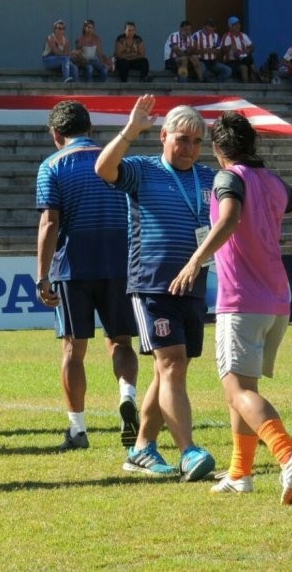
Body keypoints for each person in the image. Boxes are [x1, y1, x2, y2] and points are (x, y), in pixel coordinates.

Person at [169, 111, 292, 504]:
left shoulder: (229, 177)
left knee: (237, 387)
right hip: (277, 302)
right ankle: (240, 473)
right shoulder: (270, 180)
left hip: (242, 301)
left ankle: (287, 453)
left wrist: (194, 261)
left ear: (218, 148)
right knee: (242, 389)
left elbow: (228, 219)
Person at [95, 95, 216, 481]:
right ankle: (189, 451)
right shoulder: (142, 170)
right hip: (153, 286)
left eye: (197, 142)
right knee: (172, 366)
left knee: (169, 372)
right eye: (182, 140)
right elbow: (104, 168)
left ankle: (142, 448)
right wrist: (131, 130)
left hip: (194, 287)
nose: (189, 149)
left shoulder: (209, 177)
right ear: (163, 136)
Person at [35, 100, 140, 452]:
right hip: (119, 264)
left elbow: (50, 222)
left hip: (73, 267)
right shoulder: (114, 160)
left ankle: (77, 430)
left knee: (73, 349)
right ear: (91, 129)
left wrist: (42, 276)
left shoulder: (52, 166)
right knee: (121, 342)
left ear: (55, 134)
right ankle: (127, 395)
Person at [221, 16, 257, 83]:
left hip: (243, 59)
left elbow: (252, 47)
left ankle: (254, 87)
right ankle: (246, 88)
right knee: (244, 68)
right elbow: (223, 50)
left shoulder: (243, 35)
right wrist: (230, 47)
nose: (238, 26)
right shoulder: (226, 36)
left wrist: (247, 50)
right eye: (235, 25)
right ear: (230, 26)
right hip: (232, 62)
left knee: (253, 66)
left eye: (239, 24)